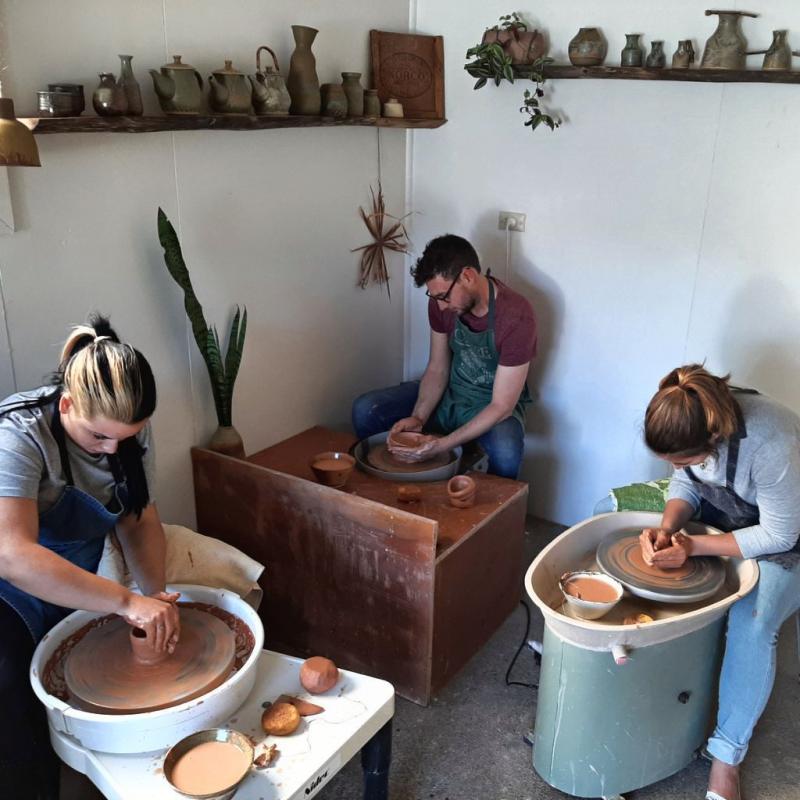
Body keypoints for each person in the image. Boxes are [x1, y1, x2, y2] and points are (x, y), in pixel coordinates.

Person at [0, 315, 180, 798]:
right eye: (100, 438)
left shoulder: (128, 431)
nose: (113, 449)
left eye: (125, 438)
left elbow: (138, 521)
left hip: (77, 575)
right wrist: (123, 603)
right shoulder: (19, 434)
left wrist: (153, 595)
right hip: (10, 587)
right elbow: (13, 554)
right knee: (12, 698)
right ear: (66, 405)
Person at [639, 364, 800, 800]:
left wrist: (692, 548)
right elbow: (684, 481)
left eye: (681, 458)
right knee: (607, 509)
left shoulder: (772, 444)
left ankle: (726, 760)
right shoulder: (687, 412)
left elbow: (780, 533)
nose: (675, 466)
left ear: (711, 440)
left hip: (786, 538)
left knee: (754, 621)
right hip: (723, 515)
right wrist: (669, 527)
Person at [351, 234, 537, 479]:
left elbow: (502, 406)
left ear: (468, 276)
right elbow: (438, 368)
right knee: (366, 409)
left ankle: (479, 510)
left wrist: (442, 445)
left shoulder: (516, 316)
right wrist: (419, 417)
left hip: (491, 403)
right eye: (435, 298)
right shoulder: (442, 305)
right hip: (450, 393)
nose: (440, 306)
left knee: (506, 450)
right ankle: (388, 501)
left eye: (443, 297)